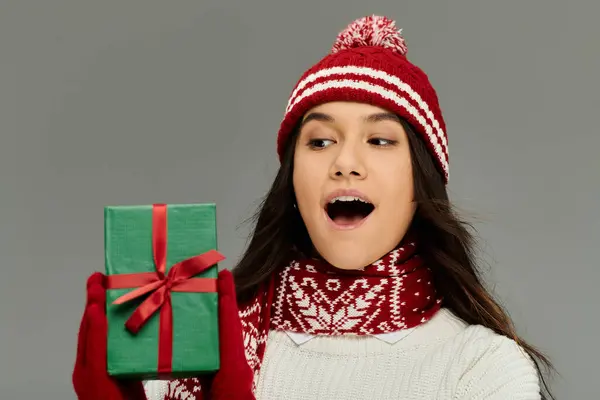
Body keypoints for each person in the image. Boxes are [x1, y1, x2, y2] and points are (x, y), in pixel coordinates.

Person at [72, 15, 555, 400]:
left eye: (380, 140)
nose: (345, 163)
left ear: (420, 180)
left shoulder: (482, 370)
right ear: (293, 181)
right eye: (320, 141)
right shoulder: (195, 350)